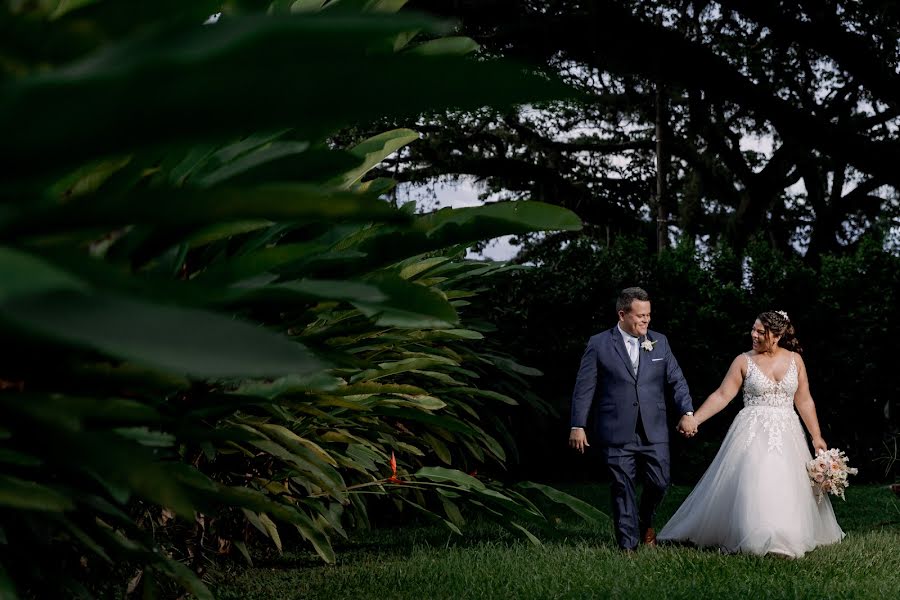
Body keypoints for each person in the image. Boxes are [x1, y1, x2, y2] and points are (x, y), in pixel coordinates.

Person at [657, 310, 845, 557]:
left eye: (760, 332)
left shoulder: (795, 360)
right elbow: (723, 395)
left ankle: (785, 535)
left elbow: (804, 400)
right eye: (753, 329)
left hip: (788, 431)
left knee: (786, 482)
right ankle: (756, 534)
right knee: (756, 479)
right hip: (752, 431)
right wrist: (695, 419)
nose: (753, 335)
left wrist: (816, 436)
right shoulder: (743, 360)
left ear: (776, 336)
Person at [569, 287, 697, 551]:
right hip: (616, 428)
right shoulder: (599, 343)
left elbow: (677, 380)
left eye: (648, 315)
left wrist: (687, 412)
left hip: (654, 430)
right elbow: (584, 387)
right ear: (622, 314)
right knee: (621, 486)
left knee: (660, 482)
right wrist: (577, 425)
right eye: (640, 316)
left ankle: (645, 519)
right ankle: (628, 547)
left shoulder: (659, 341)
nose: (646, 321)